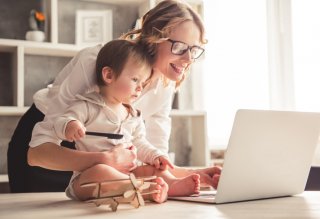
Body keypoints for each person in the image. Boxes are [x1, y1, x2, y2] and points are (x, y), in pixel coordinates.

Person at [8, 0, 220, 193]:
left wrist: (194, 175)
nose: (188, 59)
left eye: (194, 49)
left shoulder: (165, 83)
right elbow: (36, 154)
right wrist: (105, 160)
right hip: (54, 151)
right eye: (180, 47)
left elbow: (154, 161)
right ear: (154, 38)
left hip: (106, 165)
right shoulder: (97, 61)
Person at [54, 39, 200, 202]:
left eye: (143, 82)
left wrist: (156, 156)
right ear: (109, 75)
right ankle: (142, 189)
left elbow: (139, 142)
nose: (140, 87)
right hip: (87, 180)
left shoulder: (133, 115)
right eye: (135, 80)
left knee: (152, 169)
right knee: (101, 171)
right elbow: (61, 120)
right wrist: (69, 125)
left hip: (128, 175)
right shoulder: (87, 106)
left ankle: (171, 184)